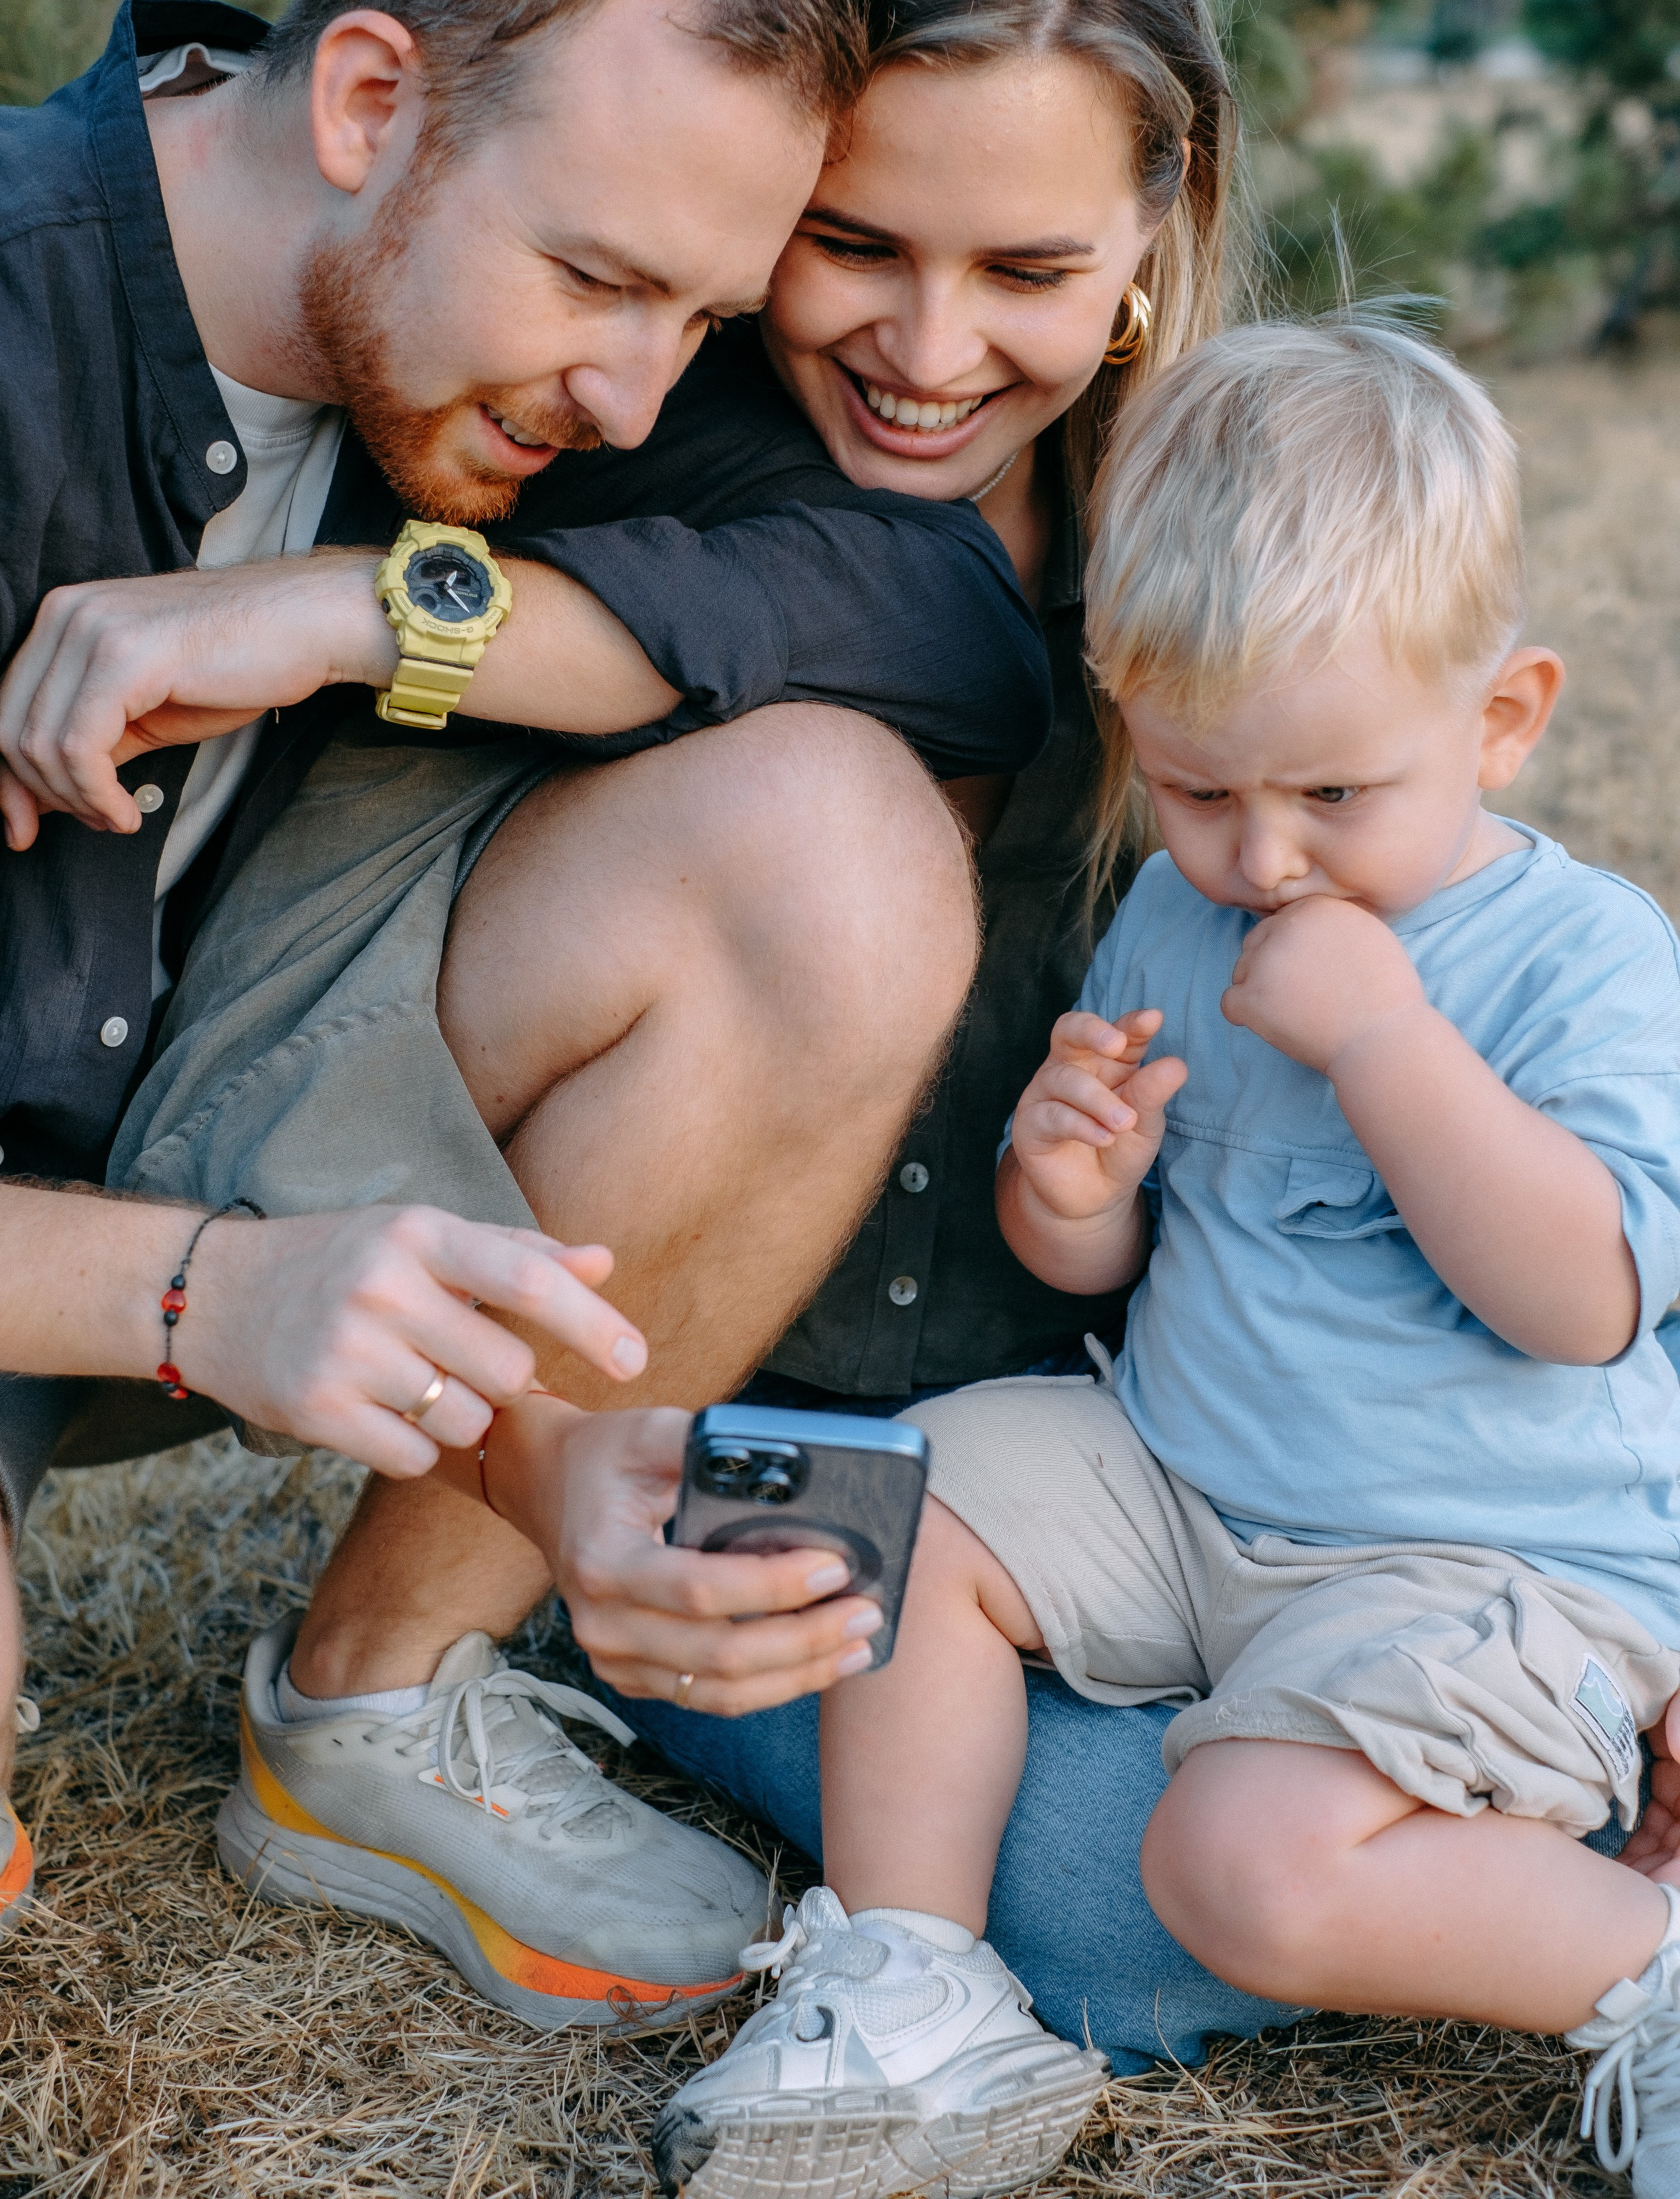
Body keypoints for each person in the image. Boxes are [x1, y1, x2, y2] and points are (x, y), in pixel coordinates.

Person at [101, 0, 1293, 2061]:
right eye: (850, 243)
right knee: (1132, 1918)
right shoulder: (626, 399)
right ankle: (413, 1660)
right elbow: (874, 615)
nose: (930, 348)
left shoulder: (1245, 545)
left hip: (1114, 1448)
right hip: (688, 1420)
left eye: (1028, 273)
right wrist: (385, 609)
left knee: (1379, 1765)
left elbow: (1472, 1016)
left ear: (1156, 232)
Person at [0, 0, 1055, 2004]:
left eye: (705, 316)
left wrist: (373, 606)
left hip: (198, 1070)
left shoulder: (500, 322)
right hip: (75, 1243)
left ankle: (375, 1709)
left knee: (832, 851)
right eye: (603, 287)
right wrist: (201, 1294)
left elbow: (940, 620)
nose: (646, 398)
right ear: (369, 100)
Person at [651, 318, 1680, 2199]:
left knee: (1241, 1872)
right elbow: (1101, 1268)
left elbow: (1581, 1302)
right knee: (869, 1490)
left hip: (1465, 1559)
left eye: (1336, 798)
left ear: (1504, 716)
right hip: (1187, 1478)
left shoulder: (1583, 963)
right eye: (1201, 790)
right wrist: (1072, 1178)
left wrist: (1386, 1045)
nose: (1264, 855)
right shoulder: (1175, 905)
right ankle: (915, 1988)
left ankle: (1652, 1975)